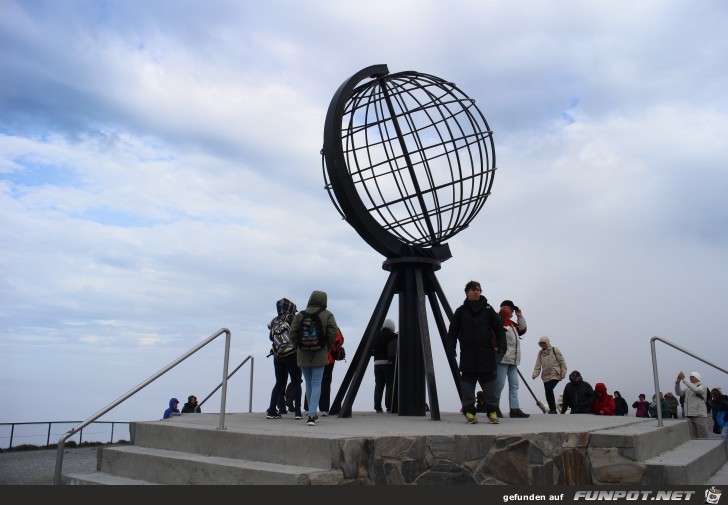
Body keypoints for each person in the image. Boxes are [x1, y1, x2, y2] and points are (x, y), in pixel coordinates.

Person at [446, 280, 506, 425]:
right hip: (468, 356)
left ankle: (492, 412)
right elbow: (452, 332)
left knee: (490, 388)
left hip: (486, 355)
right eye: (473, 290)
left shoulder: (488, 309)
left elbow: (499, 329)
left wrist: (502, 346)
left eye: (478, 290)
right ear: (467, 293)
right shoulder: (460, 311)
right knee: (467, 388)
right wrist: (451, 349)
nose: (476, 292)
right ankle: (469, 412)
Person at [290, 290, 339, 426]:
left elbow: (292, 332)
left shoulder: (300, 315)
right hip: (320, 352)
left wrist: (298, 346)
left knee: (308, 383)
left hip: (303, 353)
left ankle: (311, 412)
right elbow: (333, 332)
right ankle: (312, 415)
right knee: (317, 383)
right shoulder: (327, 314)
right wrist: (326, 347)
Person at [266, 297, 303, 420]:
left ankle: (271, 410)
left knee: (279, 383)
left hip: (278, 356)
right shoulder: (292, 318)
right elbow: (298, 334)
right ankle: (297, 412)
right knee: (296, 382)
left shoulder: (274, 320)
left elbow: (271, 338)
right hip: (292, 354)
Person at [494, 300, 529, 418]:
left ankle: (514, 409)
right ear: (506, 308)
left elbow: (522, 329)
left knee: (514, 385)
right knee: (499, 384)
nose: (514, 311)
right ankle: (494, 408)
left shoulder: (511, 323)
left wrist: (520, 316)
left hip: (513, 360)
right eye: (512, 309)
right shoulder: (498, 319)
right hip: (502, 358)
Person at [305, 327, 344, 416]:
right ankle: (324, 409)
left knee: (311, 383)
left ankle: (308, 408)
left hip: (312, 357)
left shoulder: (311, 326)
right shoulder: (333, 327)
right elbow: (340, 340)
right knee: (325, 384)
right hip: (328, 359)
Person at [531, 336, 567, 414]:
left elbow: (562, 361)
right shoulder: (540, 353)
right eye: (541, 343)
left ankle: (553, 409)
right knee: (547, 392)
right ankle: (552, 409)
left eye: (544, 342)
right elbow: (538, 365)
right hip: (545, 375)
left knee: (549, 389)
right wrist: (535, 374)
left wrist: (563, 372)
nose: (543, 344)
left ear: (547, 342)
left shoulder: (554, 350)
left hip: (555, 374)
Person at [372, 319, 398, 413]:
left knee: (379, 385)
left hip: (376, 364)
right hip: (387, 363)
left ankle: (377, 407)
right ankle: (389, 406)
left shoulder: (376, 335)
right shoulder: (392, 335)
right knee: (389, 385)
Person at [675, 371, 709, 438]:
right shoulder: (688, 388)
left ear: (697, 377)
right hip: (689, 415)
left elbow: (696, 390)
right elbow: (679, 393)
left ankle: (704, 448)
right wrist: (677, 383)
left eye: (693, 377)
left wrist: (684, 379)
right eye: (690, 377)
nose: (691, 378)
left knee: (703, 435)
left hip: (699, 415)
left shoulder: (702, 386)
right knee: (693, 436)